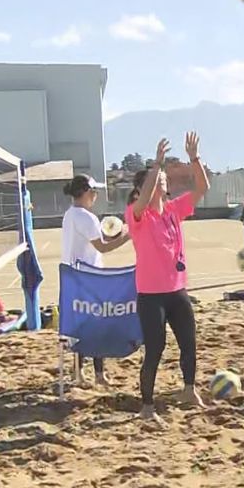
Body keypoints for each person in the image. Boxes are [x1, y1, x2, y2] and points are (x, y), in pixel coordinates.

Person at [127, 132, 209, 423]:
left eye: (163, 178)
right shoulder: (136, 215)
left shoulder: (174, 210)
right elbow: (146, 195)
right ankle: (147, 407)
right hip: (151, 295)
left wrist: (194, 158)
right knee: (155, 349)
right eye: (156, 179)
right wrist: (156, 164)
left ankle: (189, 389)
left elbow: (202, 187)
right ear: (142, 189)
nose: (162, 179)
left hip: (177, 290)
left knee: (189, 342)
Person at [61, 174, 130, 387]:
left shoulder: (70, 214)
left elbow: (101, 239)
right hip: (89, 278)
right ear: (85, 192)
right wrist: (130, 236)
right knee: (96, 325)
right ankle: (94, 374)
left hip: (75, 277)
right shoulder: (86, 217)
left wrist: (120, 230)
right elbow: (103, 247)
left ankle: (82, 373)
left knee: (82, 325)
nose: (96, 195)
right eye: (94, 191)